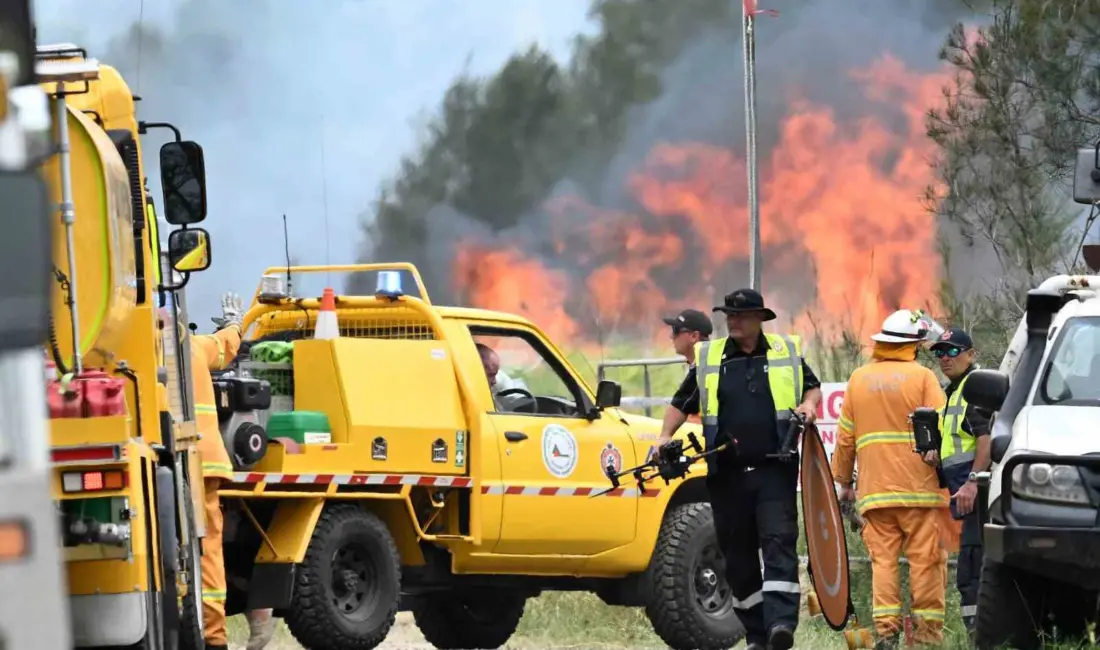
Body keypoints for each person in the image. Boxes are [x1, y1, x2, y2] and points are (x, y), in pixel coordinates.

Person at [658, 288, 822, 650]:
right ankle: (756, 634)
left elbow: (812, 388)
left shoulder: (784, 352)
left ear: (759, 319)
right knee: (738, 558)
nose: (732, 321)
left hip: (774, 471)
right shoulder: (711, 358)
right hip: (727, 476)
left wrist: (809, 406)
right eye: (728, 315)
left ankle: (780, 624)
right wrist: (664, 436)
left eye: (739, 315)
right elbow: (680, 403)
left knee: (778, 543)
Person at [831, 309, 951, 649]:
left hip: (875, 493)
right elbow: (942, 429)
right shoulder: (923, 378)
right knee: (926, 564)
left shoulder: (858, 379)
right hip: (922, 492)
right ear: (913, 344)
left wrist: (844, 484)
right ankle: (926, 638)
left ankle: (886, 634)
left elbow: (845, 439)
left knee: (883, 564)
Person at [192, 292, 245, 650]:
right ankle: (214, 638)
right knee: (208, 550)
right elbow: (225, 347)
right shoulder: (191, 345)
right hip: (206, 464)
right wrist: (234, 323)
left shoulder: (127, 353)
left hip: (169, 466)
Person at [928, 327, 990, 636]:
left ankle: (981, 635)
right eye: (940, 352)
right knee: (971, 568)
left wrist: (972, 482)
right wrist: (935, 455)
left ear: (970, 354)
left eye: (953, 351)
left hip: (978, 496)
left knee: (972, 570)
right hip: (966, 496)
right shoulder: (954, 392)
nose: (945, 358)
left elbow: (986, 440)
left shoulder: (974, 389)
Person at [660, 308, 713, 429]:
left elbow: (680, 405)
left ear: (694, 336)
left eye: (676, 330)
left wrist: (665, 435)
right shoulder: (699, 364)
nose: (671, 336)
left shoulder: (706, 367)